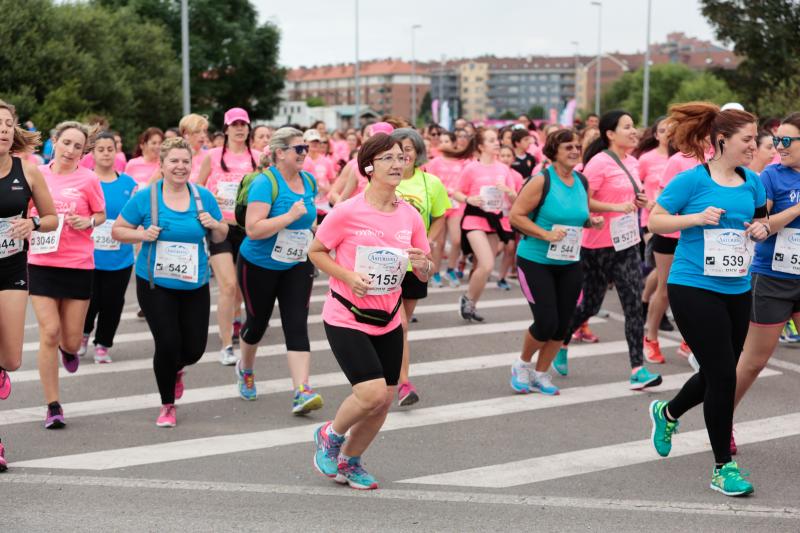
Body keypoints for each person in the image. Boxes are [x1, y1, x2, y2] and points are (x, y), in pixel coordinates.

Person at [647, 102, 768, 497]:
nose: (754, 145)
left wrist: (760, 229)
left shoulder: (753, 182)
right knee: (722, 376)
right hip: (693, 285)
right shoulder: (692, 180)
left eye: (755, 139)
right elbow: (656, 220)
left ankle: (667, 413)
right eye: (747, 139)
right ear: (722, 141)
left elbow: (760, 219)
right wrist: (695, 219)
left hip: (736, 286)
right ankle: (723, 467)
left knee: (721, 369)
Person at [309, 133, 432, 490]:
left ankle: (351, 461)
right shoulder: (348, 211)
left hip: (389, 317)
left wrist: (424, 264)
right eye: (388, 158)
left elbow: (425, 267)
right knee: (371, 393)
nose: (397, 164)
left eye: (401, 157)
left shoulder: (409, 215)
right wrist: (347, 275)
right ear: (368, 166)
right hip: (346, 315)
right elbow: (316, 251)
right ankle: (330, 434)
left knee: (384, 400)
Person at [112, 137, 227, 427]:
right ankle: (167, 405)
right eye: (173, 161)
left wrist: (215, 225)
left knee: (194, 350)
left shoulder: (203, 197)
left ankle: (175, 368)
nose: (180, 166)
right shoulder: (147, 197)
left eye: (185, 161)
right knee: (167, 342)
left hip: (194, 283)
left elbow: (221, 235)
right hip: (155, 283)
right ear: (161, 165)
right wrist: (142, 235)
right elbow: (118, 230)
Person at [556, 111, 662, 390]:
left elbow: (629, 195)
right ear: (610, 134)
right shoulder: (599, 163)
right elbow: (584, 202)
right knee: (590, 304)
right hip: (597, 246)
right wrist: (615, 208)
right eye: (626, 127)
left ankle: (638, 369)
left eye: (633, 126)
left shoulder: (634, 162)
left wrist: (640, 200)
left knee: (633, 304)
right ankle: (562, 340)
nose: (633, 131)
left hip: (627, 243)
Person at [235, 127, 323, 413]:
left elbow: (308, 221)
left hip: (297, 263)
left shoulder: (309, 181)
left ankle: (302, 390)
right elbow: (253, 229)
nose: (304, 154)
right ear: (280, 152)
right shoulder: (265, 183)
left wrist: (317, 231)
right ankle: (246, 368)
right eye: (299, 149)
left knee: (296, 323)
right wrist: (289, 216)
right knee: (257, 323)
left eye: (306, 149)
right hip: (259, 264)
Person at [509, 129, 603, 395]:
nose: (574, 150)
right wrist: (545, 234)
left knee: (563, 324)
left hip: (569, 260)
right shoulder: (541, 181)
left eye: (577, 146)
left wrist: (590, 221)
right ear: (553, 152)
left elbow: (577, 216)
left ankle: (541, 373)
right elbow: (516, 216)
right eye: (567, 147)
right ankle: (522, 365)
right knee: (546, 321)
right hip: (535, 260)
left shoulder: (582, 181)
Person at [29, 121, 107, 429]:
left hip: (77, 263)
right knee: (49, 331)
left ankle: (69, 349)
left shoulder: (88, 179)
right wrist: (32, 221)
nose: (71, 150)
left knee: (71, 340)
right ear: (55, 142)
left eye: (77, 146)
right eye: (66, 143)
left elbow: (100, 215)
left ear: (82, 151)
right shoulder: (38, 175)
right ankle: (53, 405)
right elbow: (24, 210)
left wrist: (87, 222)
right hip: (42, 261)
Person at [732, 113, 800, 454]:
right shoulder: (771, 176)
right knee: (755, 360)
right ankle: (722, 420)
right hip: (773, 277)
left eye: (787, 141)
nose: (779, 147)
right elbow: (760, 227)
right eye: (776, 140)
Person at [0, 100, 58, 469]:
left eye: (8, 123)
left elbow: (52, 218)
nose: (3, 129)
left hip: (10, 269)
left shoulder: (28, 170)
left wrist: (32, 225)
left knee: (11, 358)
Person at [390, 128, 450, 406]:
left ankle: (391, 374)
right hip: (387, 262)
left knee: (401, 326)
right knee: (399, 324)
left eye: (409, 149)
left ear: (417, 153)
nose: (404, 154)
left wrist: (427, 244)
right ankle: (403, 383)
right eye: (398, 149)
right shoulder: (381, 180)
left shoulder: (431, 183)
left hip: (415, 264)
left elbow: (439, 217)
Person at [197, 108, 260, 366]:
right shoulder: (212, 156)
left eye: (243, 124)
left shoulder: (258, 157)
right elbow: (198, 188)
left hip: (248, 229)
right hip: (220, 228)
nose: (239, 128)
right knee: (228, 286)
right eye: (234, 124)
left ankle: (237, 320)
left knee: (244, 288)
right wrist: (203, 215)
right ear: (225, 128)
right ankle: (226, 346)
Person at [79, 133, 137, 363]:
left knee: (113, 302)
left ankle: (103, 344)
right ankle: (82, 335)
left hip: (120, 256)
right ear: (92, 153)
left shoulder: (129, 184)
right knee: (88, 300)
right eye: (100, 149)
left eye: (109, 149)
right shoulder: (83, 180)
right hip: (87, 255)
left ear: (116, 152)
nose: (105, 153)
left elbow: (136, 217)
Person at [451, 128, 518, 321]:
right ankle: (467, 300)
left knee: (483, 267)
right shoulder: (471, 168)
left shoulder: (503, 169)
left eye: (496, 139)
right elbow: (456, 192)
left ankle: (470, 302)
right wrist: (469, 199)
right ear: (481, 146)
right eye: (491, 140)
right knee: (488, 265)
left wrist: (508, 191)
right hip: (473, 219)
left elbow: (515, 197)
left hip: (494, 220)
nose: (496, 142)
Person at [423, 132, 465, 288]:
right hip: (439, 205)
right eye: (441, 141)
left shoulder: (462, 162)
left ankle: (451, 269)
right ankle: (435, 274)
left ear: (454, 143)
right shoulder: (434, 162)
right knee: (438, 243)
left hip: (456, 205)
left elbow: (464, 183)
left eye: (447, 141)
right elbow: (429, 182)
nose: (443, 143)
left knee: (456, 240)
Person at [497, 145, 524, 289]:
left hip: (508, 217)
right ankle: (478, 268)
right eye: (503, 155)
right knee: (497, 249)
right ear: (497, 157)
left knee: (510, 248)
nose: (506, 158)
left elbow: (519, 201)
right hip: (493, 216)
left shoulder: (517, 176)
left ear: (513, 159)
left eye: (508, 156)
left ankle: (501, 277)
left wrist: (510, 192)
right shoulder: (494, 172)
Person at [178, 113, 209, 182]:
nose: (203, 135)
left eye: (204, 131)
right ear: (186, 134)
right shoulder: (173, 156)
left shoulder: (210, 155)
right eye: (197, 132)